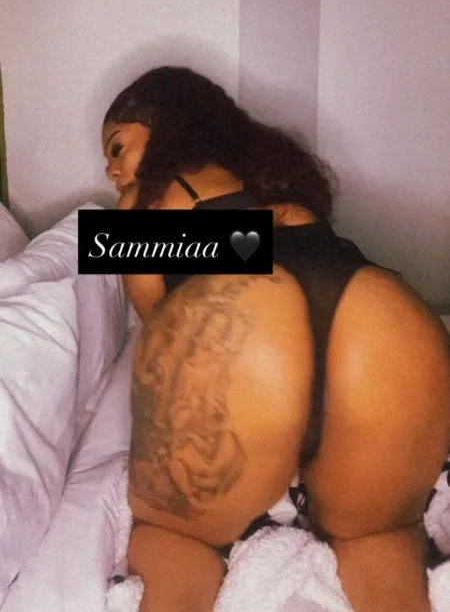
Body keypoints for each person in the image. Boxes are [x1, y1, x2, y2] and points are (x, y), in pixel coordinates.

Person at [102, 65, 450, 612]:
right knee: (379, 537)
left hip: (249, 319)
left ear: (165, 123)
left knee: (177, 536)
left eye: (117, 147)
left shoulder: (143, 202)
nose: (110, 170)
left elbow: (163, 327)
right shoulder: (278, 183)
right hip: (384, 316)